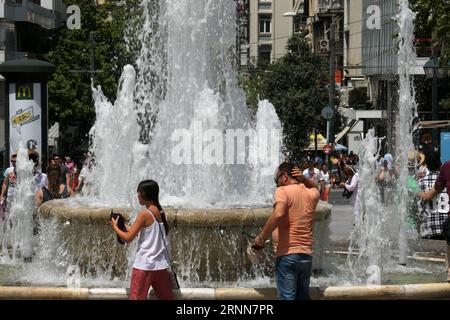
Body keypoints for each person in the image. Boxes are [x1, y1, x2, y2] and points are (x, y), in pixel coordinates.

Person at [253, 162, 320, 300]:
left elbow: (278, 214)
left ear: (284, 177)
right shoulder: (311, 193)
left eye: (276, 179)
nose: (276, 183)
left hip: (287, 255)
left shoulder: (282, 191)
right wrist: (304, 179)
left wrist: (261, 237)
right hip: (306, 256)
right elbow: (317, 189)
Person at [110, 180, 174, 300]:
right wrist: (122, 227)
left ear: (144, 194)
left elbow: (128, 239)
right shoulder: (161, 212)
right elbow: (147, 233)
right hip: (161, 267)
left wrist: (114, 227)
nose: (137, 195)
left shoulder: (144, 214)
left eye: (138, 192)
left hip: (144, 266)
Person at [417, 159, 450, 283]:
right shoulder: (445, 171)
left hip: (431, 228)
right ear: (439, 164)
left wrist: (412, 187)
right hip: (445, 223)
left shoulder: (422, 181)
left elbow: (427, 197)